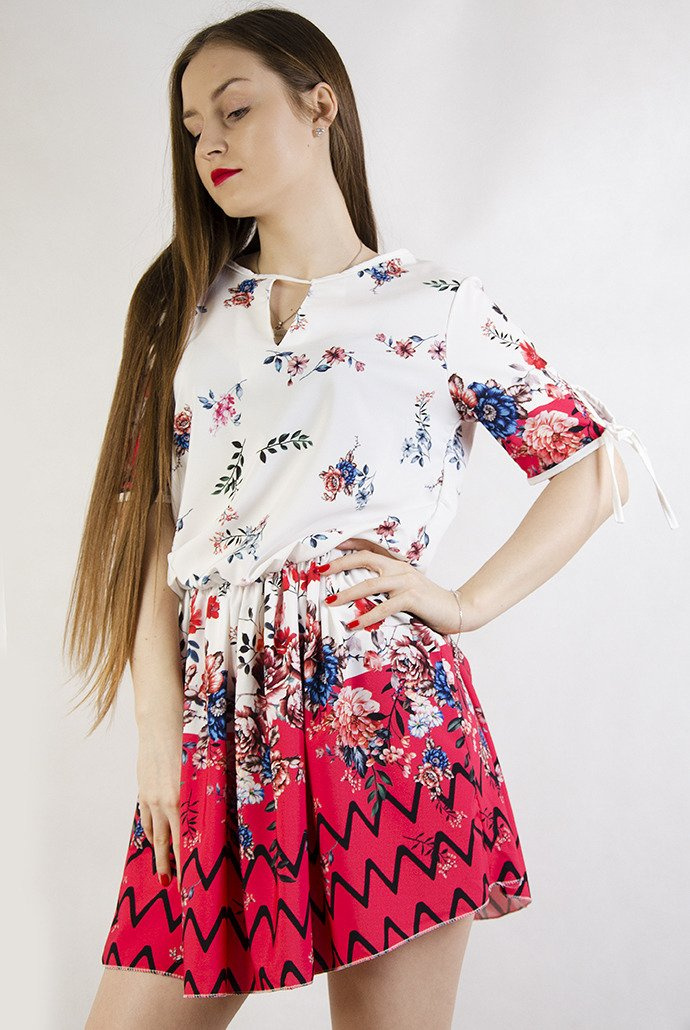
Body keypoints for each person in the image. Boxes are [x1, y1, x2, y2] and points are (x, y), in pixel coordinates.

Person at [66, 8, 678, 1030]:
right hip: (218, 725)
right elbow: (145, 532)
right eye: (192, 126)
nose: (209, 144)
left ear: (321, 105)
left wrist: (464, 603)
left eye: (234, 110)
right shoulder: (181, 309)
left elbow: (592, 463)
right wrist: (156, 733)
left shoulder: (430, 304)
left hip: (386, 718)